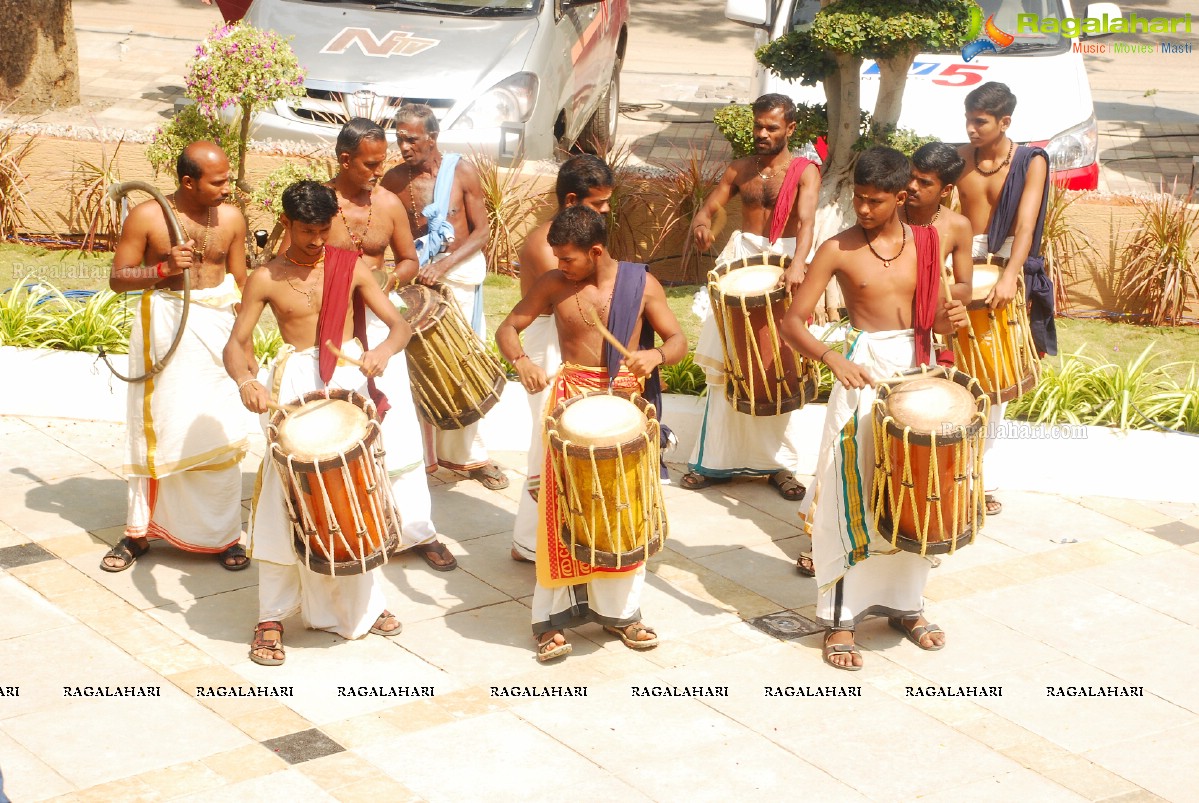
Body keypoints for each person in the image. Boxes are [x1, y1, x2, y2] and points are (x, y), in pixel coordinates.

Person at [779, 147, 968, 670]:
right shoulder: (836, 249)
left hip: (919, 372)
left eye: (874, 201)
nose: (862, 209)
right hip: (862, 374)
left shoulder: (928, 244)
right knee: (850, 491)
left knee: (914, 489)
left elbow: (936, 320)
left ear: (901, 195)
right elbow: (792, 322)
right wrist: (831, 356)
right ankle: (839, 619)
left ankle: (907, 605)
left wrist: (951, 319)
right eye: (858, 199)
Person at [224, 180, 412, 666]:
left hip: (345, 384)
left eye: (323, 230)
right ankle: (271, 616)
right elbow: (235, 343)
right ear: (287, 222)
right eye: (307, 230)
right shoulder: (265, 277)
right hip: (293, 392)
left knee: (353, 495)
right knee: (282, 502)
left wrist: (381, 353)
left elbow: (399, 326)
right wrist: (247, 382)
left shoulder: (349, 268)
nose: (316, 240)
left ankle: (366, 605)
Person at [495, 206, 687, 662]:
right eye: (557, 258)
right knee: (562, 508)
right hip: (568, 406)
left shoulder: (642, 286)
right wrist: (522, 362)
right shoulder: (554, 284)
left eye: (568, 259)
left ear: (595, 251)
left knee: (624, 509)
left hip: (623, 408)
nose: (560, 266)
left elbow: (677, 340)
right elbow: (509, 328)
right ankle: (551, 618)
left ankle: (623, 611)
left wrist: (656, 357)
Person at [281, 117, 457, 572]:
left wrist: (381, 279)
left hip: (379, 329)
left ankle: (416, 529)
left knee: (395, 428)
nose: (380, 171)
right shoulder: (318, 206)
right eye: (370, 163)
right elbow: (291, 260)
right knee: (336, 429)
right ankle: (347, 526)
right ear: (345, 160)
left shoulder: (390, 204)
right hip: (333, 334)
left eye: (382, 163)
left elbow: (409, 260)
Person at [102, 141, 250, 574]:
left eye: (228, 178)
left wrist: (247, 346)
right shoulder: (149, 217)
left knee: (218, 431)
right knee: (159, 430)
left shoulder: (233, 218)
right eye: (218, 181)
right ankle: (138, 533)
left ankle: (223, 536)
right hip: (165, 329)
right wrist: (163, 270)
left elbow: (240, 283)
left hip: (218, 333)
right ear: (188, 182)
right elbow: (118, 278)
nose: (227, 187)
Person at [682, 93, 820, 501]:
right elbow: (709, 208)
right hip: (740, 267)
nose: (761, 133)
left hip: (782, 268)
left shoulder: (805, 171)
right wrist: (702, 224)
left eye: (771, 128)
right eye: (758, 125)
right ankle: (714, 460)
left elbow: (808, 221)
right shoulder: (739, 168)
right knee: (730, 361)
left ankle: (781, 465)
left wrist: (798, 264)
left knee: (778, 363)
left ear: (790, 129)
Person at [381, 103, 509, 491]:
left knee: (461, 367)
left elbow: (481, 232)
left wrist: (445, 265)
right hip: (415, 283)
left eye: (412, 139)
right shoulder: (393, 181)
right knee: (423, 370)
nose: (404, 147)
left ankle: (473, 459)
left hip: (459, 279)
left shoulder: (462, 171)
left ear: (432, 138)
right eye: (399, 139)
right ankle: (424, 458)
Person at [509, 154, 614, 564]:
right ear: (572, 199)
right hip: (547, 345)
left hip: (568, 341)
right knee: (552, 444)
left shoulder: (582, 235)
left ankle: (532, 540)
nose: (606, 211)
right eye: (598, 204)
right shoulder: (545, 244)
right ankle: (538, 544)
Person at [956, 81, 1054, 517]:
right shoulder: (960, 158)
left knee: (994, 382)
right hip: (960, 267)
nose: (971, 129)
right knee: (953, 375)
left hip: (1002, 269)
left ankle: (983, 478)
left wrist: (1011, 276)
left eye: (980, 122)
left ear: (1004, 122)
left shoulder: (1031, 162)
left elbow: (1027, 225)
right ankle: (951, 470)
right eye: (968, 120)